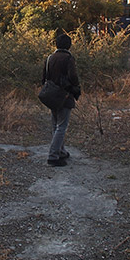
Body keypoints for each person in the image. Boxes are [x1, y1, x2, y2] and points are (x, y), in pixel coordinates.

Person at [41, 34, 81, 167]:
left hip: (52, 95)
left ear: (56, 44)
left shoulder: (49, 58)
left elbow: (44, 78)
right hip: (65, 95)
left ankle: (61, 151)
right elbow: (73, 77)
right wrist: (75, 88)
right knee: (62, 126)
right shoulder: (69, 58)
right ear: (69, 45)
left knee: (55, 125)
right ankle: (53, 156)